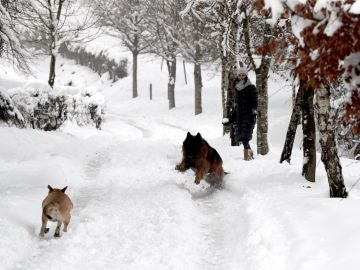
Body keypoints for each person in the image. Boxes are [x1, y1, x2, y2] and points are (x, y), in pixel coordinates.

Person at [223, 67, 258, 160]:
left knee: (245, 137)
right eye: (240, 75)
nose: (241, 76)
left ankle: (248, 157)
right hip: (239, 117)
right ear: (237, 76)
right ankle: (249, 156)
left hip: (248, 116)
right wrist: (229, 119)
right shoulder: (236, 88)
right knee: (243, 138)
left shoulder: (251, 88)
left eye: (243, 75)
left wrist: (254, 113)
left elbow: (255, 102)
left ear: (246, 75)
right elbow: (236, 107)